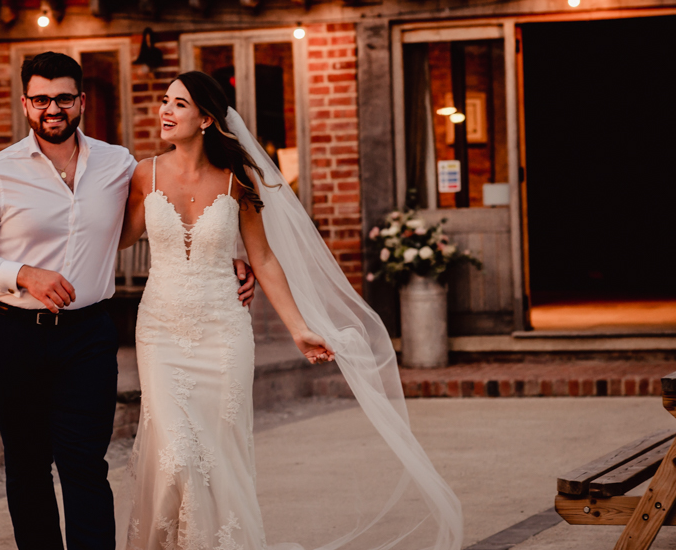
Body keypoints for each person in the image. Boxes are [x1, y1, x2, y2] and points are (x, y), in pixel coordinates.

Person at [118, 71, 463, 550]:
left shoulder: (239, 179)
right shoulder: (144, 174)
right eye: (164, 101)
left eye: (178, 104)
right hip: (161, 331)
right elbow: (116, 241)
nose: (165, 111)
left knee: (220, 452)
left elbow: (262, 257)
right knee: (174, 453)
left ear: (206, 119)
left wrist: (299, 328)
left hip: (223, 329)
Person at [0, 53, 255, 550]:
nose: (53, 108)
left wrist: (227, 256)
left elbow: (175, 202)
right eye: (41, 99)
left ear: (81, 101)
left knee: (85, 464)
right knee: (27, 465)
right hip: (12, 334)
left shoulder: (118, 164)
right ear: (25, 103)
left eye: (64, 98)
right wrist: (22, 274)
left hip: (86, 335)